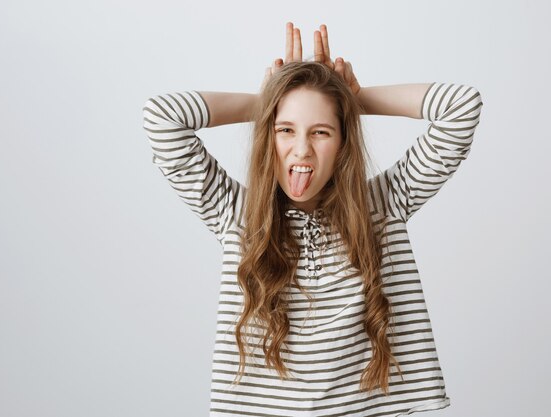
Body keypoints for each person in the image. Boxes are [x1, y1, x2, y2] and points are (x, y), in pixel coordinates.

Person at [142, 21, 483, 417]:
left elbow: (461, 106)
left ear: (342, 142)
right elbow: (162, 117)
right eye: (285, 129)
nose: (301, 149)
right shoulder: (237, 215)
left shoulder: (384, 205)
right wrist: (269, 100)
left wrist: (351, 99)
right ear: (268, 136)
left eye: (321, 131)